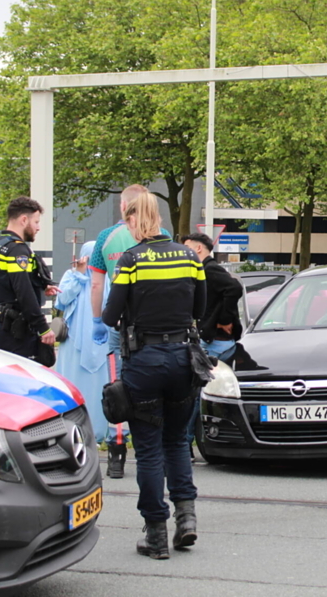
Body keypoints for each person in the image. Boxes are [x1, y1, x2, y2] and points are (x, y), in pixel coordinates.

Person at [101, 193, 207, 560]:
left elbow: (109, 316)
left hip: (144, 361)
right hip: (183, 359)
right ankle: (187, 518)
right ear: (159, 217)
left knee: (147, 449)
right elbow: (200, 308)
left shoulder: (131, 259)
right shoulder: (190, 256)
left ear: (132, 220)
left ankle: (156, 535)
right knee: (177, 441)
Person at [90, 184, 171, 477]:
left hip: (120, 323)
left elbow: (97, 284)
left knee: (119, 385)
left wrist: (97, 319)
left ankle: (116, 451)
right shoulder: (167, 238)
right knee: (156, 383)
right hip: (156, 324)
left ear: (124, 207)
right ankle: (157, 446)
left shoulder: (104, 238)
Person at [0, 196, 58, 361]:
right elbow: (23, 292)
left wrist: (40, 286)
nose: (38, 228)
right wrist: (43, 328)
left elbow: (4, 282)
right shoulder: (17, 250)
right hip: (15, 328)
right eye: (36, 222)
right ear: (24, 220)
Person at [54, 241, 111, 443]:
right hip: (74, 343)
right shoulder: (72, 276)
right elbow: (61, 300)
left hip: (102, 341)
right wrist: (78, 274)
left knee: (101, 385)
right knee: (73, 382)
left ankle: (100, 430)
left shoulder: (109, 278)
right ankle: (72, 428)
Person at [180, 233, 243, 362]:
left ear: (198, 248)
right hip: (212, 340)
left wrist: (224, 320)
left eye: (186, 248)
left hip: (216, 342)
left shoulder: (210, 269)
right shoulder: (203, 269)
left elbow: (234, 288)